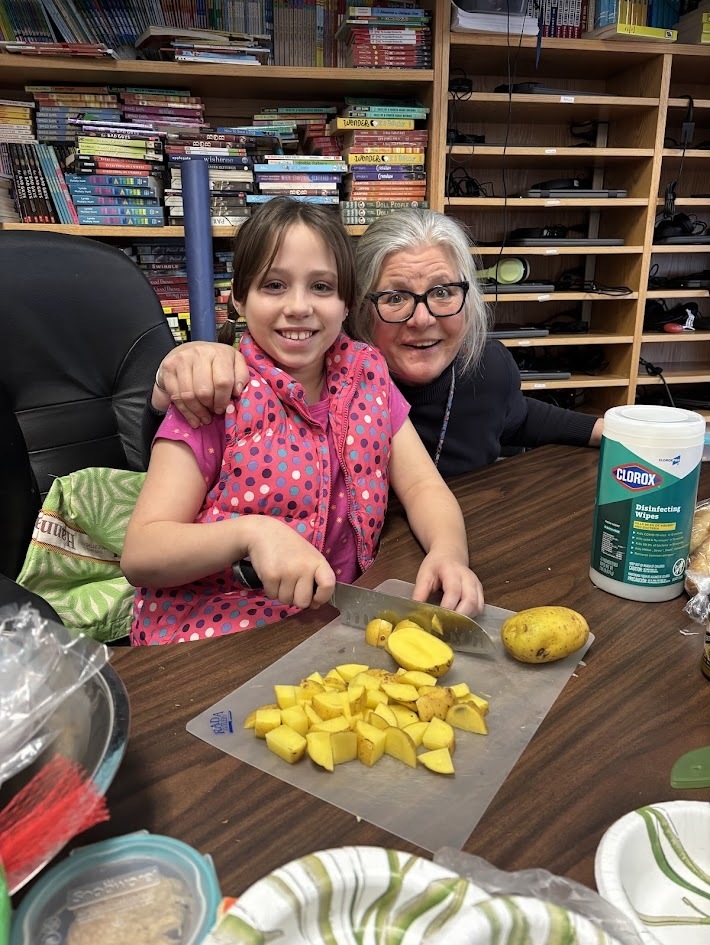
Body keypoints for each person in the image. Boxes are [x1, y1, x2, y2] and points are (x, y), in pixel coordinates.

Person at [123, 198, 483, 645]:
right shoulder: (213, 394)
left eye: (321, 287)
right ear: (238, 297)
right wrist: (252, 533)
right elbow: (141, 552)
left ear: (348, 301)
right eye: (274, 285)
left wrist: (449, 553)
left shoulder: (368, 376)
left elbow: (422, 487)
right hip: (214, 638)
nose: (299, 306)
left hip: (333, 621)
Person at [144, 209, 602, 480]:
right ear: (357, 308)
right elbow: (180, 449)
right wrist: (181, 373)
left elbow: (520, 418)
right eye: (396, 297)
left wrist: (618, 431)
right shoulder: (321, 377)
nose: (423, 318)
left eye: (443, 292)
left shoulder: (488, 366)